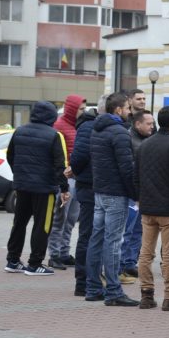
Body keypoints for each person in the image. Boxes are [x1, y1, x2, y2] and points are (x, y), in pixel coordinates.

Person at [134, 105, 169, 311]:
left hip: (148, 208)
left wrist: (140, 200)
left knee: (145, 253)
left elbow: (136, 177)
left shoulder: (144, 145)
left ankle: (146, 294)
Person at [4, 101, 70, 276]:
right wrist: (64, 188)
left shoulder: (19, 131)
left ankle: (13, 260)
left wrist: (19, 173)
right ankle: (35, 263)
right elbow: (60, 165)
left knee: (19, 222)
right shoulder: (54, 135)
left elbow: (10, 155)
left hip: (22, 185)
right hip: (44, 188)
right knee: (42, 225)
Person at [85, 93, 139, 307]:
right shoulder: (119, 133)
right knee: (113, 242)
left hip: (100, 191)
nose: (130, 112)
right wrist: (135, 194)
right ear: (118, 110)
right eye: (127, 108)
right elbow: (127, 168)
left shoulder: (97, 129)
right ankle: (114, 291)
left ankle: (93, 287)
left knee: (97, 238)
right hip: (116, 194)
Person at [47, 94, 85, 270]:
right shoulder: (58, 126)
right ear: (72, 109)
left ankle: (64, 252)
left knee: (71, 219)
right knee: (59, 219)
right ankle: (54, 254)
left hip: (77, 178)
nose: (82, 112)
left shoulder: (79, 126)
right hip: (64, 180)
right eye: (80, 109)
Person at [119, 109, 154, 282]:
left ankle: (130, 263)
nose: (152, 126)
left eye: (153, 123)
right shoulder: (128, 139)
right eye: (149, 124)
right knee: (128, 230)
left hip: (144, 193)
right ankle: (121, 266)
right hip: (131, 193)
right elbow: (129, 168)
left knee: (138, 231)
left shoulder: (149, 139)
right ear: (138, 124)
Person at [69, 105, 98, 297]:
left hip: (91, 185)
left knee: (91, 234)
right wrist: (80, 174)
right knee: (88, 234)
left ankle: (88, 279)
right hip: (89, 186)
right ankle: (83, 281)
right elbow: (78, 158)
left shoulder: (88, 127)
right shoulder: (88, 127)